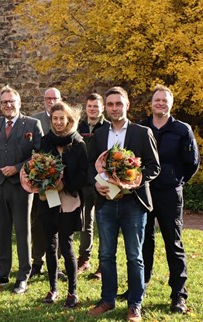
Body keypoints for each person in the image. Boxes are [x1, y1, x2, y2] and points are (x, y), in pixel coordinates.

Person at [118, 85, 200, 314]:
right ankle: (139, 288)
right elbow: (129, 159)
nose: (160, 103)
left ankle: (178, 295)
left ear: (170, 104)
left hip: (169, 194)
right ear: (151, 103)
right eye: (157, 100)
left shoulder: (182, 129)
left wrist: (177, 180)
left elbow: (193, 162)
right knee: (143, 242)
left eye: (165, 100)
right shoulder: (140, 128)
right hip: (143, 192)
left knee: (173, 244)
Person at [87, 87, 160, 322]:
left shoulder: (142, 132)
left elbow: (153, 167)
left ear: (127, 105)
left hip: (133, 204)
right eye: (110, 104)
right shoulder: (99, 135)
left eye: (119, 103)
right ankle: (107, 300)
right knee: (106, 254)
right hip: (106, 203)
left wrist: (132, 181)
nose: (115, 108)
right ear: (105, 108)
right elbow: (90, 165)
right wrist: (96, 183)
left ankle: (134, 304)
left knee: (134, 255)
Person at [0, 85, 43, 294]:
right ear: (0, 105)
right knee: (2, 231)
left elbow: (38, 156)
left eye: (11, 101)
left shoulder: (32, 124)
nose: (8, 105)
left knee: (22, 230)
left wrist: (18, 168)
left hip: (22, 187)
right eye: (4, 102)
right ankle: (3, 272)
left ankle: (23, 275)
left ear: (19, 103)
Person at [39, 102, 87, 308]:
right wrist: (43, 182)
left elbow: (83, 176)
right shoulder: (44, 142)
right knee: (50, 245)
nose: (58, 122)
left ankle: (72, 291)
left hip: (69, 199)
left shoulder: (78, 144)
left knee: (66, 245)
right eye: (55, 119)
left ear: (69, 120)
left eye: (62, 119)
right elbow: (37, 167)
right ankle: (53, 288)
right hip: (48, 199)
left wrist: (63, 184)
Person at [77, 93, 110, 277]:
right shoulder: (79, 126)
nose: (93, 109)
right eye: (90, 106)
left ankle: (103, 264)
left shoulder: (108, 127)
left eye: (96, 106)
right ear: (86, 107)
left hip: (104, 181)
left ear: (102, 108)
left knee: (104, 223)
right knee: (85, 222)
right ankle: (84, 258)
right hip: (84, 182)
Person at [30, 87, 61, 277]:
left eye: (54, 98)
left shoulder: (66, 118)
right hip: (38, 181)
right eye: (47, 98)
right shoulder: (34, 120)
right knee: (37, 222)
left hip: (58, 182)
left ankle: (55, 262)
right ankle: (37, 261)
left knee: (57, 222)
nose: (50, 101)